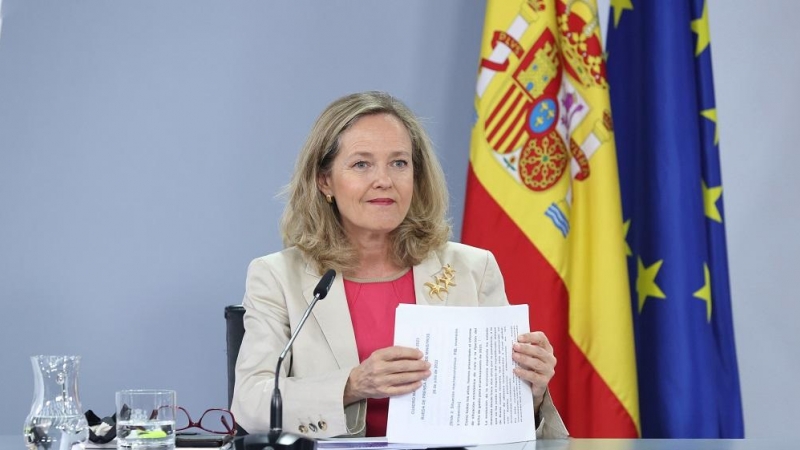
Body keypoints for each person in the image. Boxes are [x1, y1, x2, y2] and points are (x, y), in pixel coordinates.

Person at [231, 91, 568, 439]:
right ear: (325, 180)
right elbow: (252, 403)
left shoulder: (472, 269)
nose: (384, 180)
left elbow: (507, 420)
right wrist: (353, 384)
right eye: (362, 164)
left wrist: (532, 390)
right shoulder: (278, 277)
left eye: (399, 163)